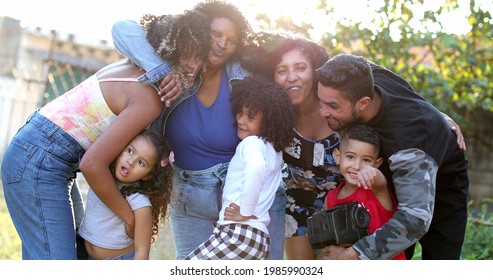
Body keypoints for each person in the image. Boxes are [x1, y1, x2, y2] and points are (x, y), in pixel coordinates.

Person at [0, 10, 209, 259]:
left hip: (44, 155)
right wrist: (129, 217)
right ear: (169, 49)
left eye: (200, 56)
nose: (193, 65)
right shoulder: (149, 96)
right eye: (186, 53)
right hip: (40, 162)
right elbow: (92, 165)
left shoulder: (136, 65)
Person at [111, 0, 287, 260]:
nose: (223, 44)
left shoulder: (243, 76)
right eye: (216, 34)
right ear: (201, 30)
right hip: (189, 195)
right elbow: (122, 29)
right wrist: (163, 72)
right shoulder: (173, 64)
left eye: (231, 39)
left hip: (248, 193)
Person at [316, 54, 469, 260]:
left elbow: (414, 220)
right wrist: (440, 115)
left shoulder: (409, 138)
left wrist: (349, 257)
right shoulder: (367, 75)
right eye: (321, 101)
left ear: (363, 103)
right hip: (387, 171)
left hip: (440, 182)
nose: (323, 112)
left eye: (333, 106)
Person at [241, 31, 342, 260]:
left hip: (343, 208)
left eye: (300, 68)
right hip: (296, 209)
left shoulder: (337, 107)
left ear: (315, 71)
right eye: (282, 70)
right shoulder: (276, 118)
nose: (291, 77)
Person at [184, 76, 294, 260]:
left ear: (269, 121)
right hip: (257, 238)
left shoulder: (252, 143)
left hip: (240, 233)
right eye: (239, 112)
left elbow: (256, 167)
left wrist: (245, 211)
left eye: (251, 116)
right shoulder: (274, 151)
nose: (241, 120)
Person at [78, 129, 173, 260]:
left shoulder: (139, 202)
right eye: (130, 151)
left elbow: (142, 254)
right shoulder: (101, 178)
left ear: (148, 176)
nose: (131, 161)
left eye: (141, 163)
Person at [321, 124, 406, 260]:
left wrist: (371, 172)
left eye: (366, 160)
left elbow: (380, 181)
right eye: (350, 157)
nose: (357, 166)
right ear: (337, 156)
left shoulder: (377, 190)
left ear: (377, 164)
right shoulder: (330, 198)